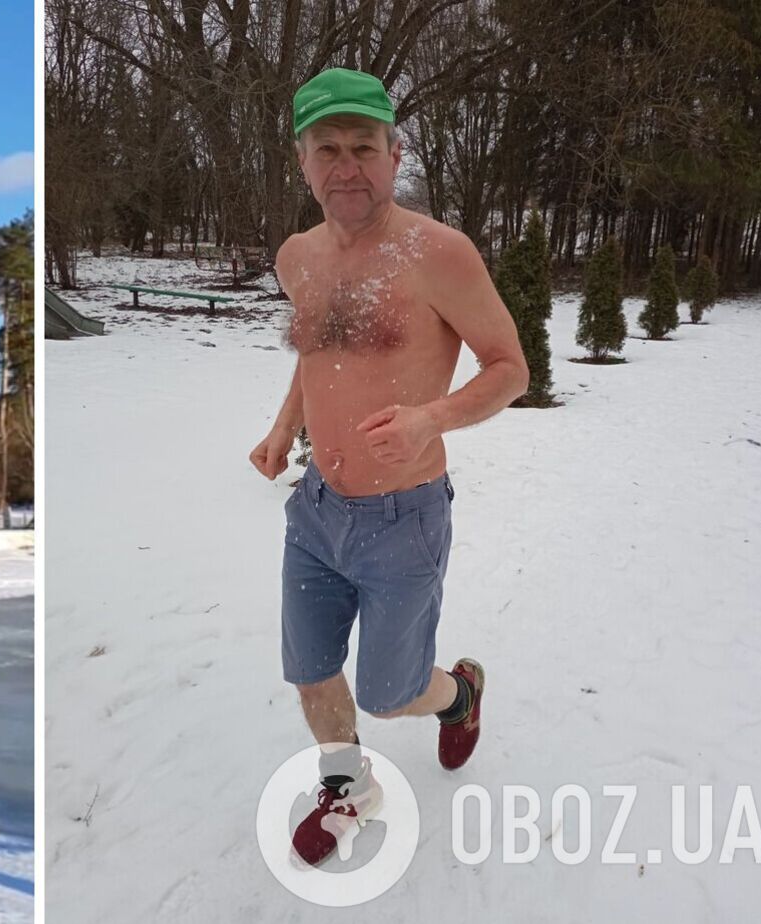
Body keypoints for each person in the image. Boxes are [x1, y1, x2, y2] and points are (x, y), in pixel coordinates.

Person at [247, 67, 529, 867]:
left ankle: (459, 694)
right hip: (316, 510)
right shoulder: (297, 257)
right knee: (310, 672)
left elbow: (511, 368)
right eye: (328, 149)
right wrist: (284, 427)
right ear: (302, 160)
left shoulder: (438, 253)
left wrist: (430, 418)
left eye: (363, 147)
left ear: (394, 154)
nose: (347, 167)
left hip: (404, 518)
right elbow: (318, 352)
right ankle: (349, 786)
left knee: (390, 692)